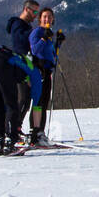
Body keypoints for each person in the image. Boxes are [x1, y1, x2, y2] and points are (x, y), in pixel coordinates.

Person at [0, 44, 44, 154]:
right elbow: (37, 105)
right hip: (2, 64)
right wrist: (36, 130)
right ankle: (10, 141)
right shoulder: (36, 73)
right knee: (11, 104)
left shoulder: (22, 59)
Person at [28, 7, 66, 144]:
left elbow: (51, 53)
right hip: (39, 71)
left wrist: (58, 43)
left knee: (44, 103)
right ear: (40, 19)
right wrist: (44, 38)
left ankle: (40, 132)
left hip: (47, 71)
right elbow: (35, 49)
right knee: (38, 102)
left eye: (49, 17)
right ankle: (35, 132)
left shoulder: (48, 34)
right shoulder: (37, 32)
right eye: (44, 17)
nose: (47, 19)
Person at [6, 0, 39, 135]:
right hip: (21, 65)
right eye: (34, 11)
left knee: (26, 98)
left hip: (27, 64)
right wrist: (35, 32)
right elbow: (19, 43)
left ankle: (15, 128)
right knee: (24, 98)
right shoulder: (18, 24)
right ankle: (12, 129)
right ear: (26, 9)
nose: (36, 15)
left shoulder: (24, 26)